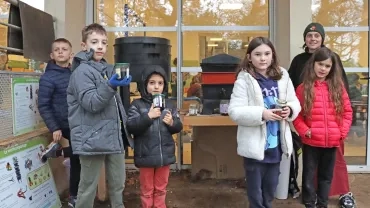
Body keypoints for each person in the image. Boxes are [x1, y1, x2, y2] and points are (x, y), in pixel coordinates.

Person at [227, 36, 301, 208]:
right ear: (249, 57)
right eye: (258, 54)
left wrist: (289, 110)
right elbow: (235, 111)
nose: (263, 58)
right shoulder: (244, 80)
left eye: (267, 53)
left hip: (276, 146)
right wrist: (262, 114)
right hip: (254, 147)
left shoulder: (282, 76)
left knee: (270, 189)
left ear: (273, 55)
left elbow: (294, 101)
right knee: (255, 193)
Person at [288, 22, 356, 208]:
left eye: (317, 36)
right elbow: (289, 87)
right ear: (305, 39)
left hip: (333, 125)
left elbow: (344, 94)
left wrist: (342, 128)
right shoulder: (298, 61)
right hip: (310, 125)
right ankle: (311, 198)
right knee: (310, 169)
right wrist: (301, 125)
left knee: (335, 165)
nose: (313, 39)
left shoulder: (332, 58)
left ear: (322, 38)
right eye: (309, 36)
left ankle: (344, 194)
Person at [67, 23, 133, 208]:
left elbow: (114, 105)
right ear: (83, 45)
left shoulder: (106, 69)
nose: (100, 46)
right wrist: (112, 85)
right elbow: (92, 103)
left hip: (113, 137)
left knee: (118, 184)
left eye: (104, 42)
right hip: (91, 138)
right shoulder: (81, 72)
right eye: (94, 42)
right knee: (88, 187)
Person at [127, 65, 183, 208]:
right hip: (145, 155)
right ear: (145, 85)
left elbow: (178, 126)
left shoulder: (169, 104)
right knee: (147, 190)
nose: (156, 87)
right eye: (152, 83)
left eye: (160, 83)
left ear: (164, 86)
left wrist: (172, 123)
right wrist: (148, 117)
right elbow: (132, 126)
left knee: (161, 189)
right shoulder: (137, 105)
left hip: (164, 156)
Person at [37, 38, 80, 207]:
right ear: (51, 55)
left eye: (64, 49)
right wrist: (54, 126)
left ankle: (60, 153)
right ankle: (74, 196)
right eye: (57, 49)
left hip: (78, 121)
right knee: (80, 153)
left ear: (71, 54)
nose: (60, 51)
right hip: (64, 123)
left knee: (79, 156)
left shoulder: (74, 73)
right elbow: (43, 104)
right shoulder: (48, 78)